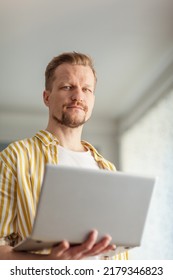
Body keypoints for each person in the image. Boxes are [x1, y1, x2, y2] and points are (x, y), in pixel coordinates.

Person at [0, 52, 128, 260]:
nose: (78, 96)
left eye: (86, 89)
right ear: (47, 97)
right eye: (67, 87)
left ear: (93, 99)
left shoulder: (108, 169)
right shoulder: (16, 157)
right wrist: (51, 264)